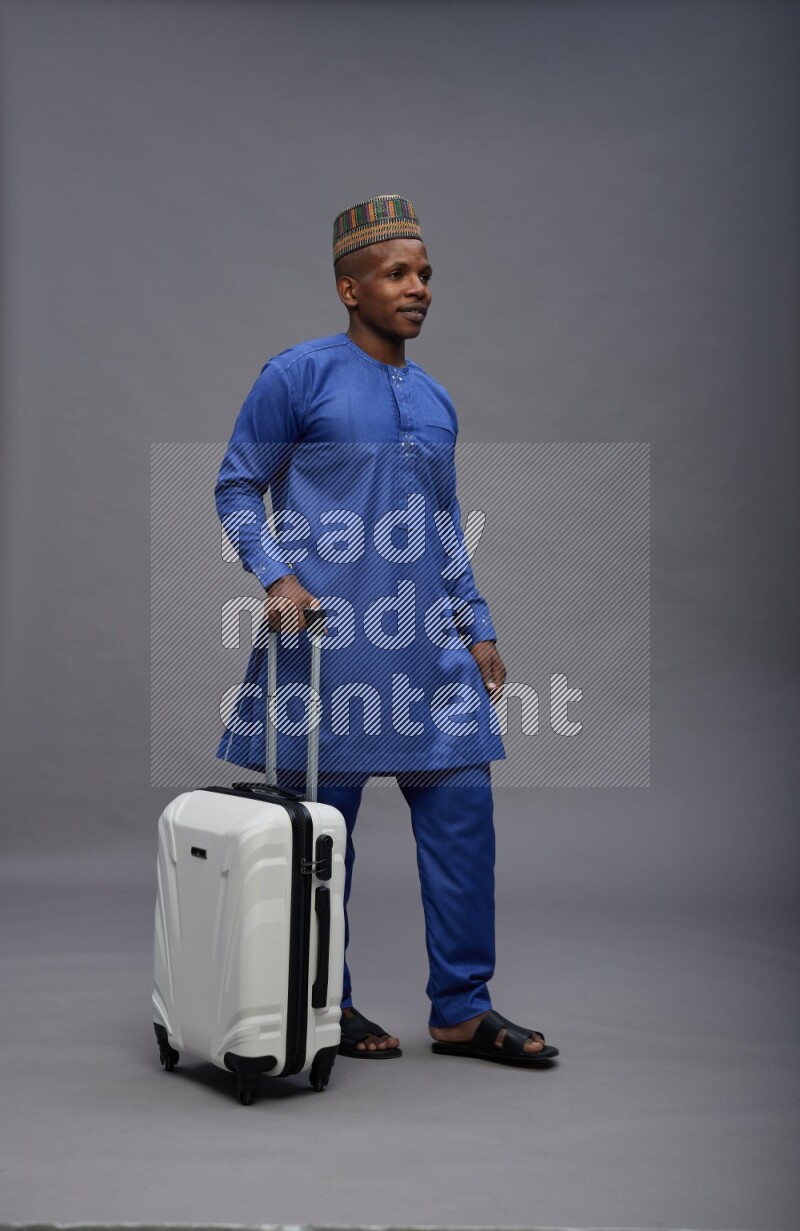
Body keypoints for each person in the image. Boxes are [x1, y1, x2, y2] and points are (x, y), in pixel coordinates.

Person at [215, 195, 559, 1067]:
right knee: (322, 837)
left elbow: (443, 520)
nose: (419, 289)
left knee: (463, 815)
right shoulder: (297, 374)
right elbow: (235, 486)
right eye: (398, 273)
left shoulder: (435, 399)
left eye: (426, 274)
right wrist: (276, 574)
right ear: (349, 287)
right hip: (329, 646)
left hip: (428, 647)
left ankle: (462, 1010)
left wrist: (476, 623)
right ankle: (324, 1003)